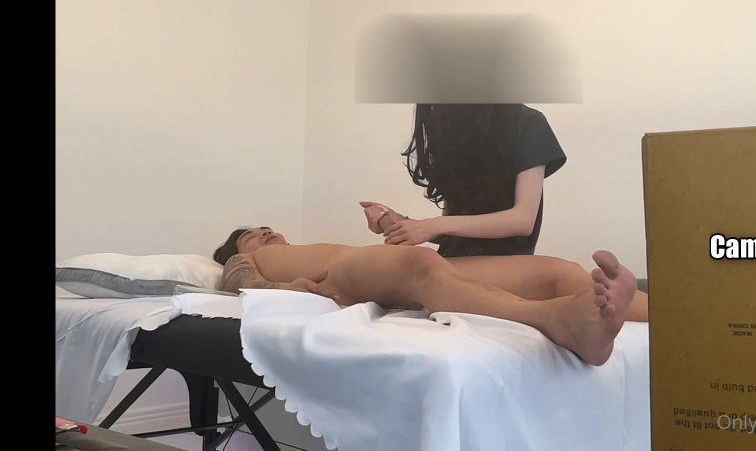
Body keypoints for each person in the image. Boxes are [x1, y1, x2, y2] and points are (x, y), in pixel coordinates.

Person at [212, 226, 647, 366]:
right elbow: (232, 281)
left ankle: (680, 313)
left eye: (267, 228)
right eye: (251, 235)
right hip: (347, 272)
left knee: (557, 271)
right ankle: (554, 319)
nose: (264, 232)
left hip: (375, 262)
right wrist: (284, 287)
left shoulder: (303, 242)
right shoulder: (247, 260)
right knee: (419, 264)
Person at [360, 103, 566, 257]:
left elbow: (522, 221)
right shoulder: (452, 130)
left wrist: (432, 226)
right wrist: (406, 225)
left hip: (506, 265)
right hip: (451, 264)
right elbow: (454, 232)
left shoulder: (528, 123)